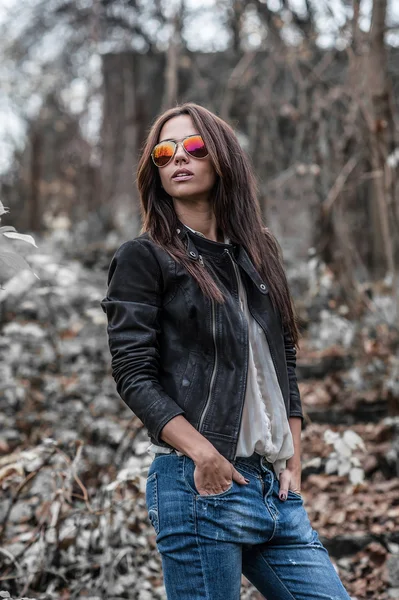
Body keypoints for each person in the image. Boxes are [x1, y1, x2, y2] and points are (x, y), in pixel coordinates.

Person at [101, 102, 352, 600]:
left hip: (274, 490)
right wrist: (203, 455)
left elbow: (284, 358)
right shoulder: (143, 257)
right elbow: (133, 374)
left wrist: (294, 461)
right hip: (200, 486)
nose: (178, 159)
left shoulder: (260, 250)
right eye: (164, 152)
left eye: (193, 147)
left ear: (221, 158)